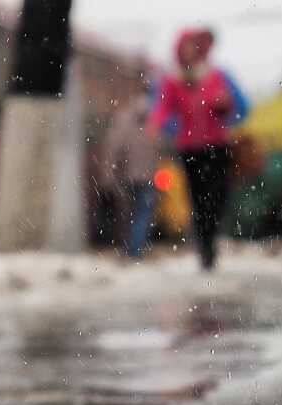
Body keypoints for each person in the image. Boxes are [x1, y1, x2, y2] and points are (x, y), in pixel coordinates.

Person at [148, 28, 243, 270]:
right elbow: (163, 107)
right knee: (198, 199)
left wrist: (223, 105)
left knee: (218, 197)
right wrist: (157, 124)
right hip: (190, 148)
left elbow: (233, 105)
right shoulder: (172, 79)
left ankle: (210, 237)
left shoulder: (214, 76)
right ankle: (205, 247)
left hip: (217, 145)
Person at [100, 92, 160, 257]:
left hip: (127, 176)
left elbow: (113, 148)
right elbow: (161, 149)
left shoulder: (124, 120)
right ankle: (135, 249)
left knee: (129, 214)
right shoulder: (155, 121)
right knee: (143, 213)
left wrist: (109, 174)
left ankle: (130, 247)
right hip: (148, 177)